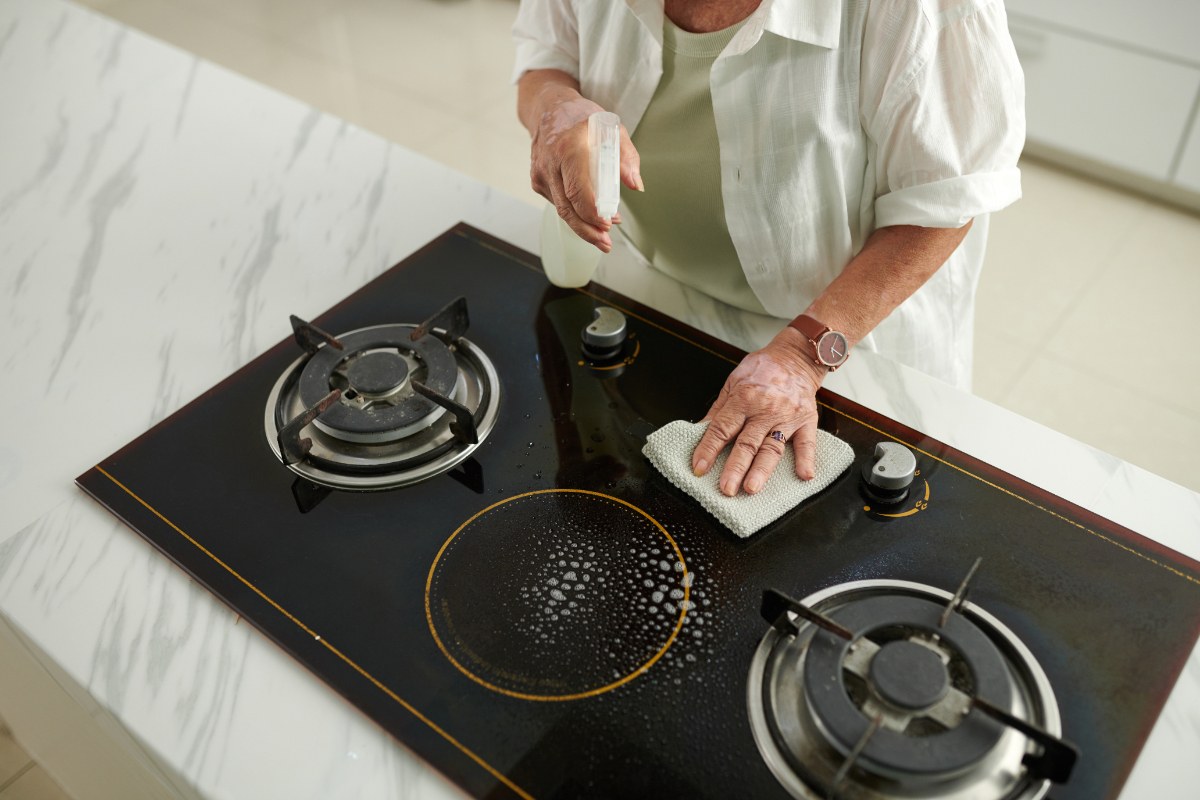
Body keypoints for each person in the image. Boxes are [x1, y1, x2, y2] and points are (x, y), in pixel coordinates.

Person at [512, 0, 1025, 497]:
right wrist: (555, 106)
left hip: (841, 332)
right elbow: (545, 61)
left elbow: (943, 201)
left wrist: (802, 358)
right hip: (654, 285)